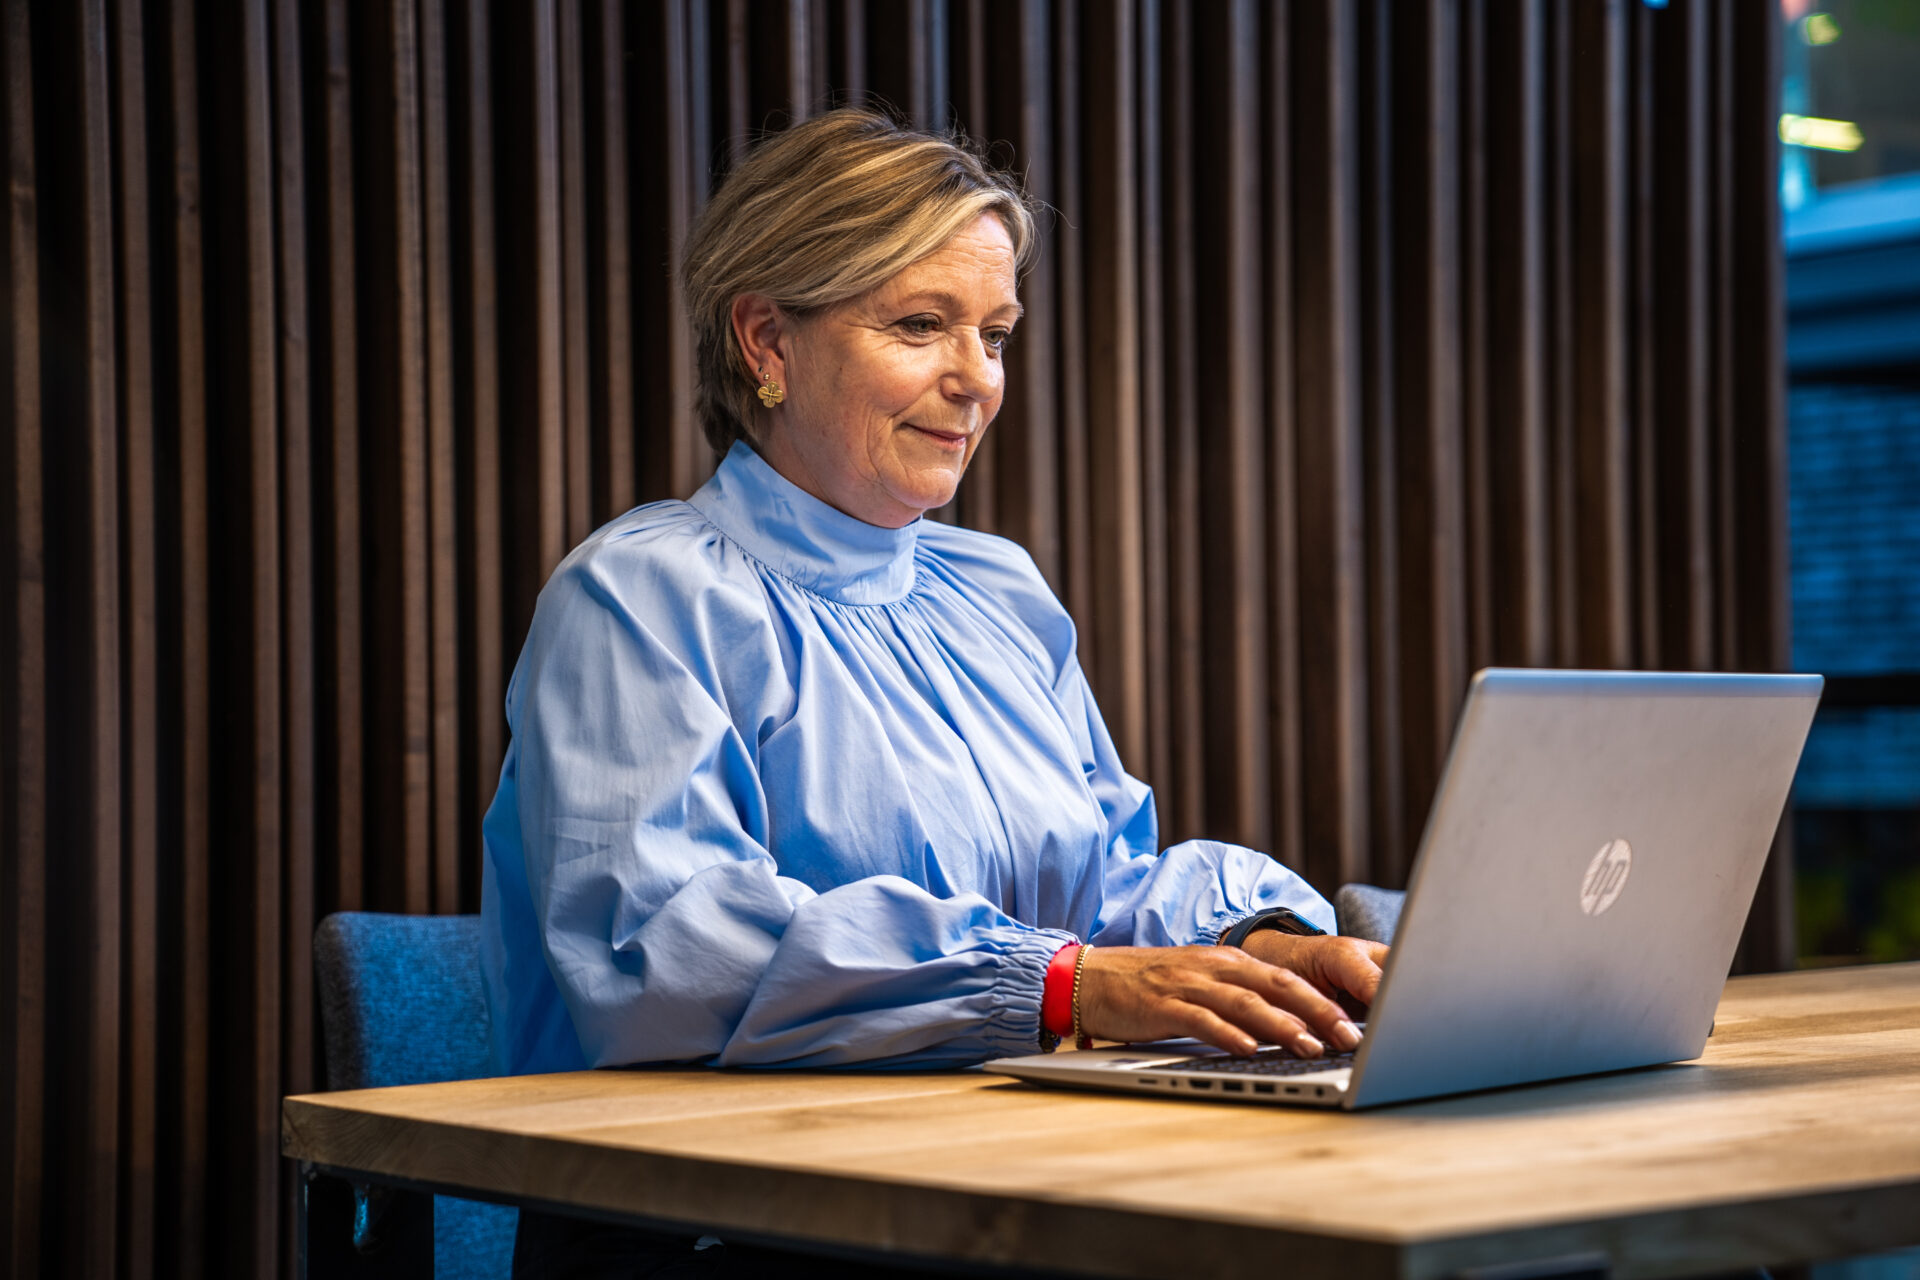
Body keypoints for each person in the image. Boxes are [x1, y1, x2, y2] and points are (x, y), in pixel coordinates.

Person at [482, 109, 1387, 1277]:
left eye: (996, 334)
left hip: (1000, 1182)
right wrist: (1059, 983)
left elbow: (1102, 886)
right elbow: (668, 954)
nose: (977, 382)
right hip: (729, 1232)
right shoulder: (639, 594)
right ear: (766, 338)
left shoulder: (997, 590)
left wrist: (1257, 947)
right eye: (921, 326)